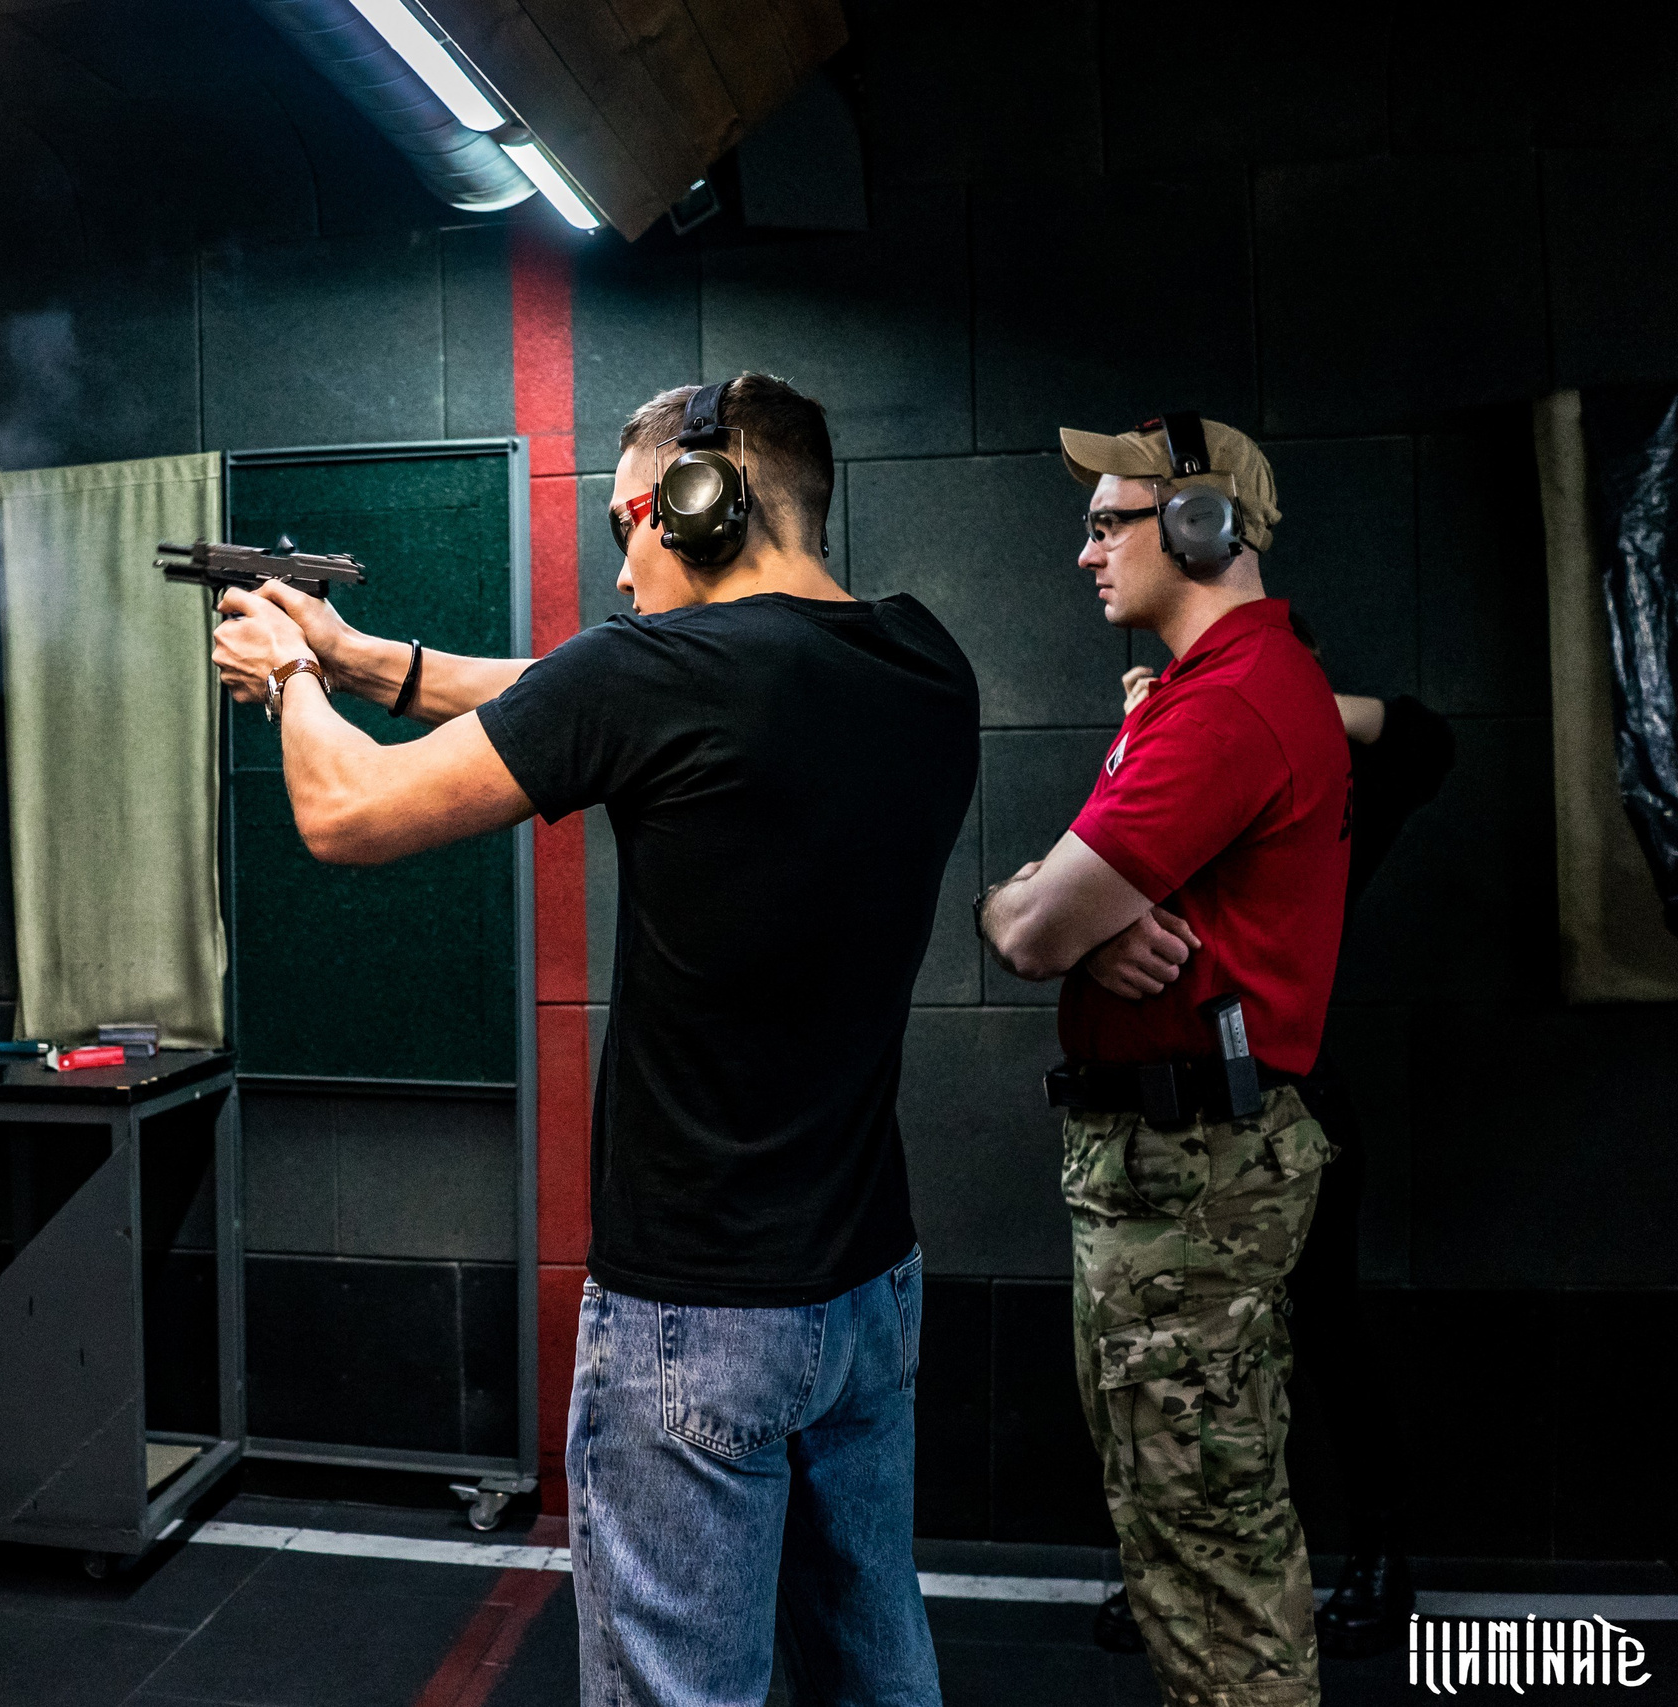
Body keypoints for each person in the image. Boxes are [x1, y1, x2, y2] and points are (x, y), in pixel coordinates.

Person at [208, 373, 979, 1707]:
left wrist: (287, 680)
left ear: (703, 501)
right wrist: (358, 657)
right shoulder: (920, 661)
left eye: (629, 521)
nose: (621, 569)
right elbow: (576, 702)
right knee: (877, 1669)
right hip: (866, 1289)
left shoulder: (654, 677)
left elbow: (348, 812)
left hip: (698, 1308)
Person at [977, 413, 1348, 1707]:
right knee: (1188, 1521)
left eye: (1106, 524)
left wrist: (1041, 911)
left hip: (1188, 1178)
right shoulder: (1195, 693)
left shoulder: (1227, 705)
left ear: (1200, 526)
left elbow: (1030, 931)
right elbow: (1047, 912)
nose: (1085, 553)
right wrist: (1056, 910)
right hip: (1174, 1173)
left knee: (1205, 1539)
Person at [1088, 672, 1453, 1662]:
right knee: (1181, 1348)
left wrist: (1267, 704)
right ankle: (1180, 1572)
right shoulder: (1182, 764)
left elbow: (1423, 737)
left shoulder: (1318, 779)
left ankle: (1378, 1557)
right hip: (1175, 1111)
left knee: (1324, 1327)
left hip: (1291, 1098)